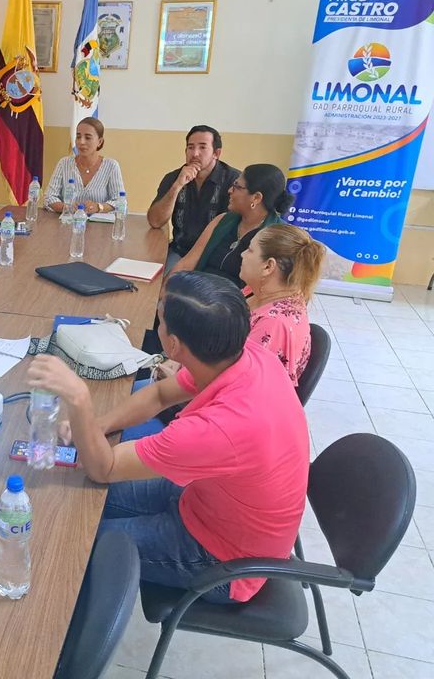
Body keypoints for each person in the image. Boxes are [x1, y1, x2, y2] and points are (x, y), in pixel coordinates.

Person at [27, 272, 309, 604]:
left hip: (224, 560)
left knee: (71, 542)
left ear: (173, 345)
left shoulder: (214, 430)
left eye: (160, 319)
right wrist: (97, 426)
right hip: (205, 501)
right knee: (77, 499)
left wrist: (80, 400)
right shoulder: (246, 356)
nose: (157, 323)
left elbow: (104, 468)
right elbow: (160, 394)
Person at [168, 164, 293, 288]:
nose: (229, 190)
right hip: (197, 290)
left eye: (237, 186)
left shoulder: (278, 238)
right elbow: (187, 263)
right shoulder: (222, 220)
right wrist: (165, 292)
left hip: (233, 299)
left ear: (256, 198)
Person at [239, 224, 325, 386]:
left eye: (250, 250)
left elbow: (245, 384)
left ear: (268, 266)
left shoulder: (274, 324)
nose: (242, 254)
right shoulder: (258, 289)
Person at [147, 126, 239, 273]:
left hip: (215, 259)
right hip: (180, 252)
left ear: (216, 153)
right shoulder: (174, 177)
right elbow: (155, 221)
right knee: (159, 281)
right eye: (190, 147)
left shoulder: (234, 181)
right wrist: (177, 186)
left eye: (202, 147)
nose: (195, 153)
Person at [44, 118, 126, 214]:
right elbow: (48, 198)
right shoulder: (64, 163)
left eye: (88, 138)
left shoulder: (111, 166)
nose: (81, 142)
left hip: (99, 223)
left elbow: (120, 202)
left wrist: (99, 207)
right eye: (78, 137)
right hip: (66, 221)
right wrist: (66, 207)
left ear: (99, 142)